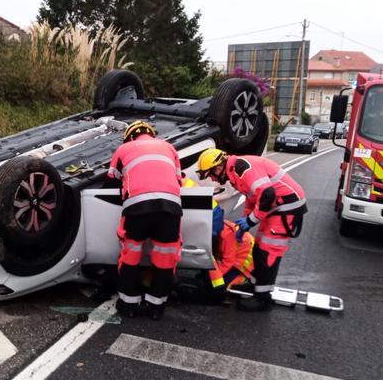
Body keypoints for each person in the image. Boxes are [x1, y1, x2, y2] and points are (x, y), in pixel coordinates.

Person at [196, 148, 307, 311]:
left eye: (211, 174)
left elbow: (267, 194)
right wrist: (246, 220)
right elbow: (252, 196)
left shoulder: (242, 168)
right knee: (259, 248)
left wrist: (250, 221)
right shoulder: (235, 171)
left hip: (286, 207)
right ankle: (257, 286)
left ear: (218, 168)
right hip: (275, 207)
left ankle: (263, 299)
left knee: (268, 252)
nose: (213, 179)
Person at [106, 120, 183, 320]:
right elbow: (179, 179)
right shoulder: (169, 147)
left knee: (131, 255)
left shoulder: (124, 149)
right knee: (165, 259)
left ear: (130, 136)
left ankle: (128, 305)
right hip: (170, 208)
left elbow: (110, 180)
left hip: (137, 207)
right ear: (151, 134)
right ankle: (156, 307)